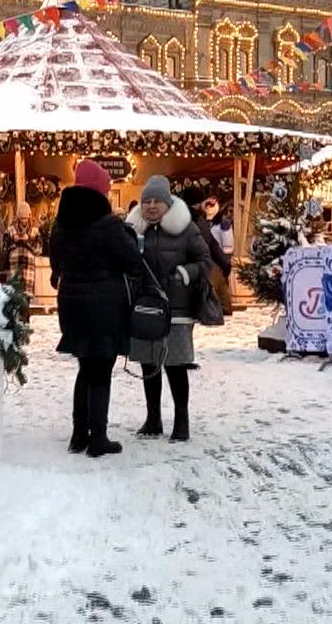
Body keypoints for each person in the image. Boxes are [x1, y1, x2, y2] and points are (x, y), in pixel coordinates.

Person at [48, 160, 143, 457]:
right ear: (101, 192)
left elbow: (55, 263)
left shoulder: (60, 223)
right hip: (104, 305)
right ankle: (98, 438)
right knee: (101, 369)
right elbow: (133, 262)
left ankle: (79, 434)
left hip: (71, 303)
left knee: (85, 367)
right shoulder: (109, 225)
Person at [128, 176, 216, 442]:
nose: (151, 206)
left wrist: (184, 273)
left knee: (175, 365)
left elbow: (205, 261)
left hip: (177, 308)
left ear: (168, 204)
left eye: (157, 201)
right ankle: (153, 419)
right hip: (146, 306)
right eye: (147, 201)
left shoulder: (186, 230)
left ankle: (181, 420)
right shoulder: (134, 231)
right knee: (149, 363)